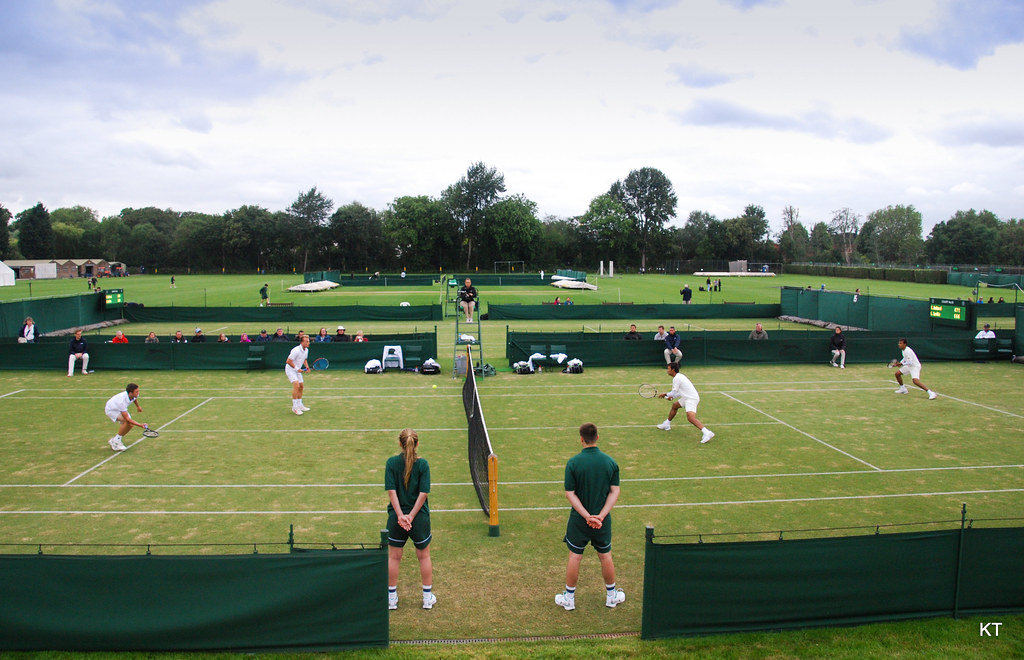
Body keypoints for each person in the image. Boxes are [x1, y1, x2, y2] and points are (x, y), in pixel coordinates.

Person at [555, 422, 624, 611]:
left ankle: (569, 599)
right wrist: (600, 517)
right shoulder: (610, 462)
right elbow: (614, 491)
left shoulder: (573, 463)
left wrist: (587, 517)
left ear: (581, 439)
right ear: (597, 438)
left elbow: (570, 493)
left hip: (579, 520)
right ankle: (612, 596)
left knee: (575, 557)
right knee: (605, 555)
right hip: (602, 522)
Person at [386, 428, 435, 611]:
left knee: (394, 557)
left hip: (396, 519)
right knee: (424, 557)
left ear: (400, 444)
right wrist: (411, 516)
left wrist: (400, 516)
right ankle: (427, 598)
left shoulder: (391, 463)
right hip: (419, 518)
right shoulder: (423, 465)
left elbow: (392, 492)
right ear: (417, 444)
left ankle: (391, 598)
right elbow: (423, 494)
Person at [656, 362, 714, 443]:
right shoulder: (679, 377)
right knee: (675, 406)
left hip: (691, 399)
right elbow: (679, 392)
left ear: (673, 370)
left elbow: (673, 392)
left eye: (668, 368)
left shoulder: (676, 378)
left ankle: (707, 432)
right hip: (686, 397)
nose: (667, 370)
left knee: (690, 418)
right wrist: (672, 396)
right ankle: (667, 424)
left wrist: (664, 394)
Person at [103, 383, 147, 452]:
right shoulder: (121, 402)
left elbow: (135, 399)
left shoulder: (133, 395)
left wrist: (138, 406)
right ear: (130, 393)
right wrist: (140, 425)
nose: (138, 393)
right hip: (111, 410)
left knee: (130, 424)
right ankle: (116, 442)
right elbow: (127, 419)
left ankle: (116, 440)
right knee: (127, 422)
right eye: (136, 391)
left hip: (118, 409)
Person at [285, 334, 311, 415]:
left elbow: (305, 360)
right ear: (302, 342)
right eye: (307, 342)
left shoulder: (306, 350)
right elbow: (288, 361)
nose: (308, 343)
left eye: (308, 341)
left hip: (297, 370)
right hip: (290, 369)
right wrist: (297, 369)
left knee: (301, 386)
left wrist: (307, 367)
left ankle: (300, 405)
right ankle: (295, 407)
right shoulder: (295, 350)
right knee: (296, 385)